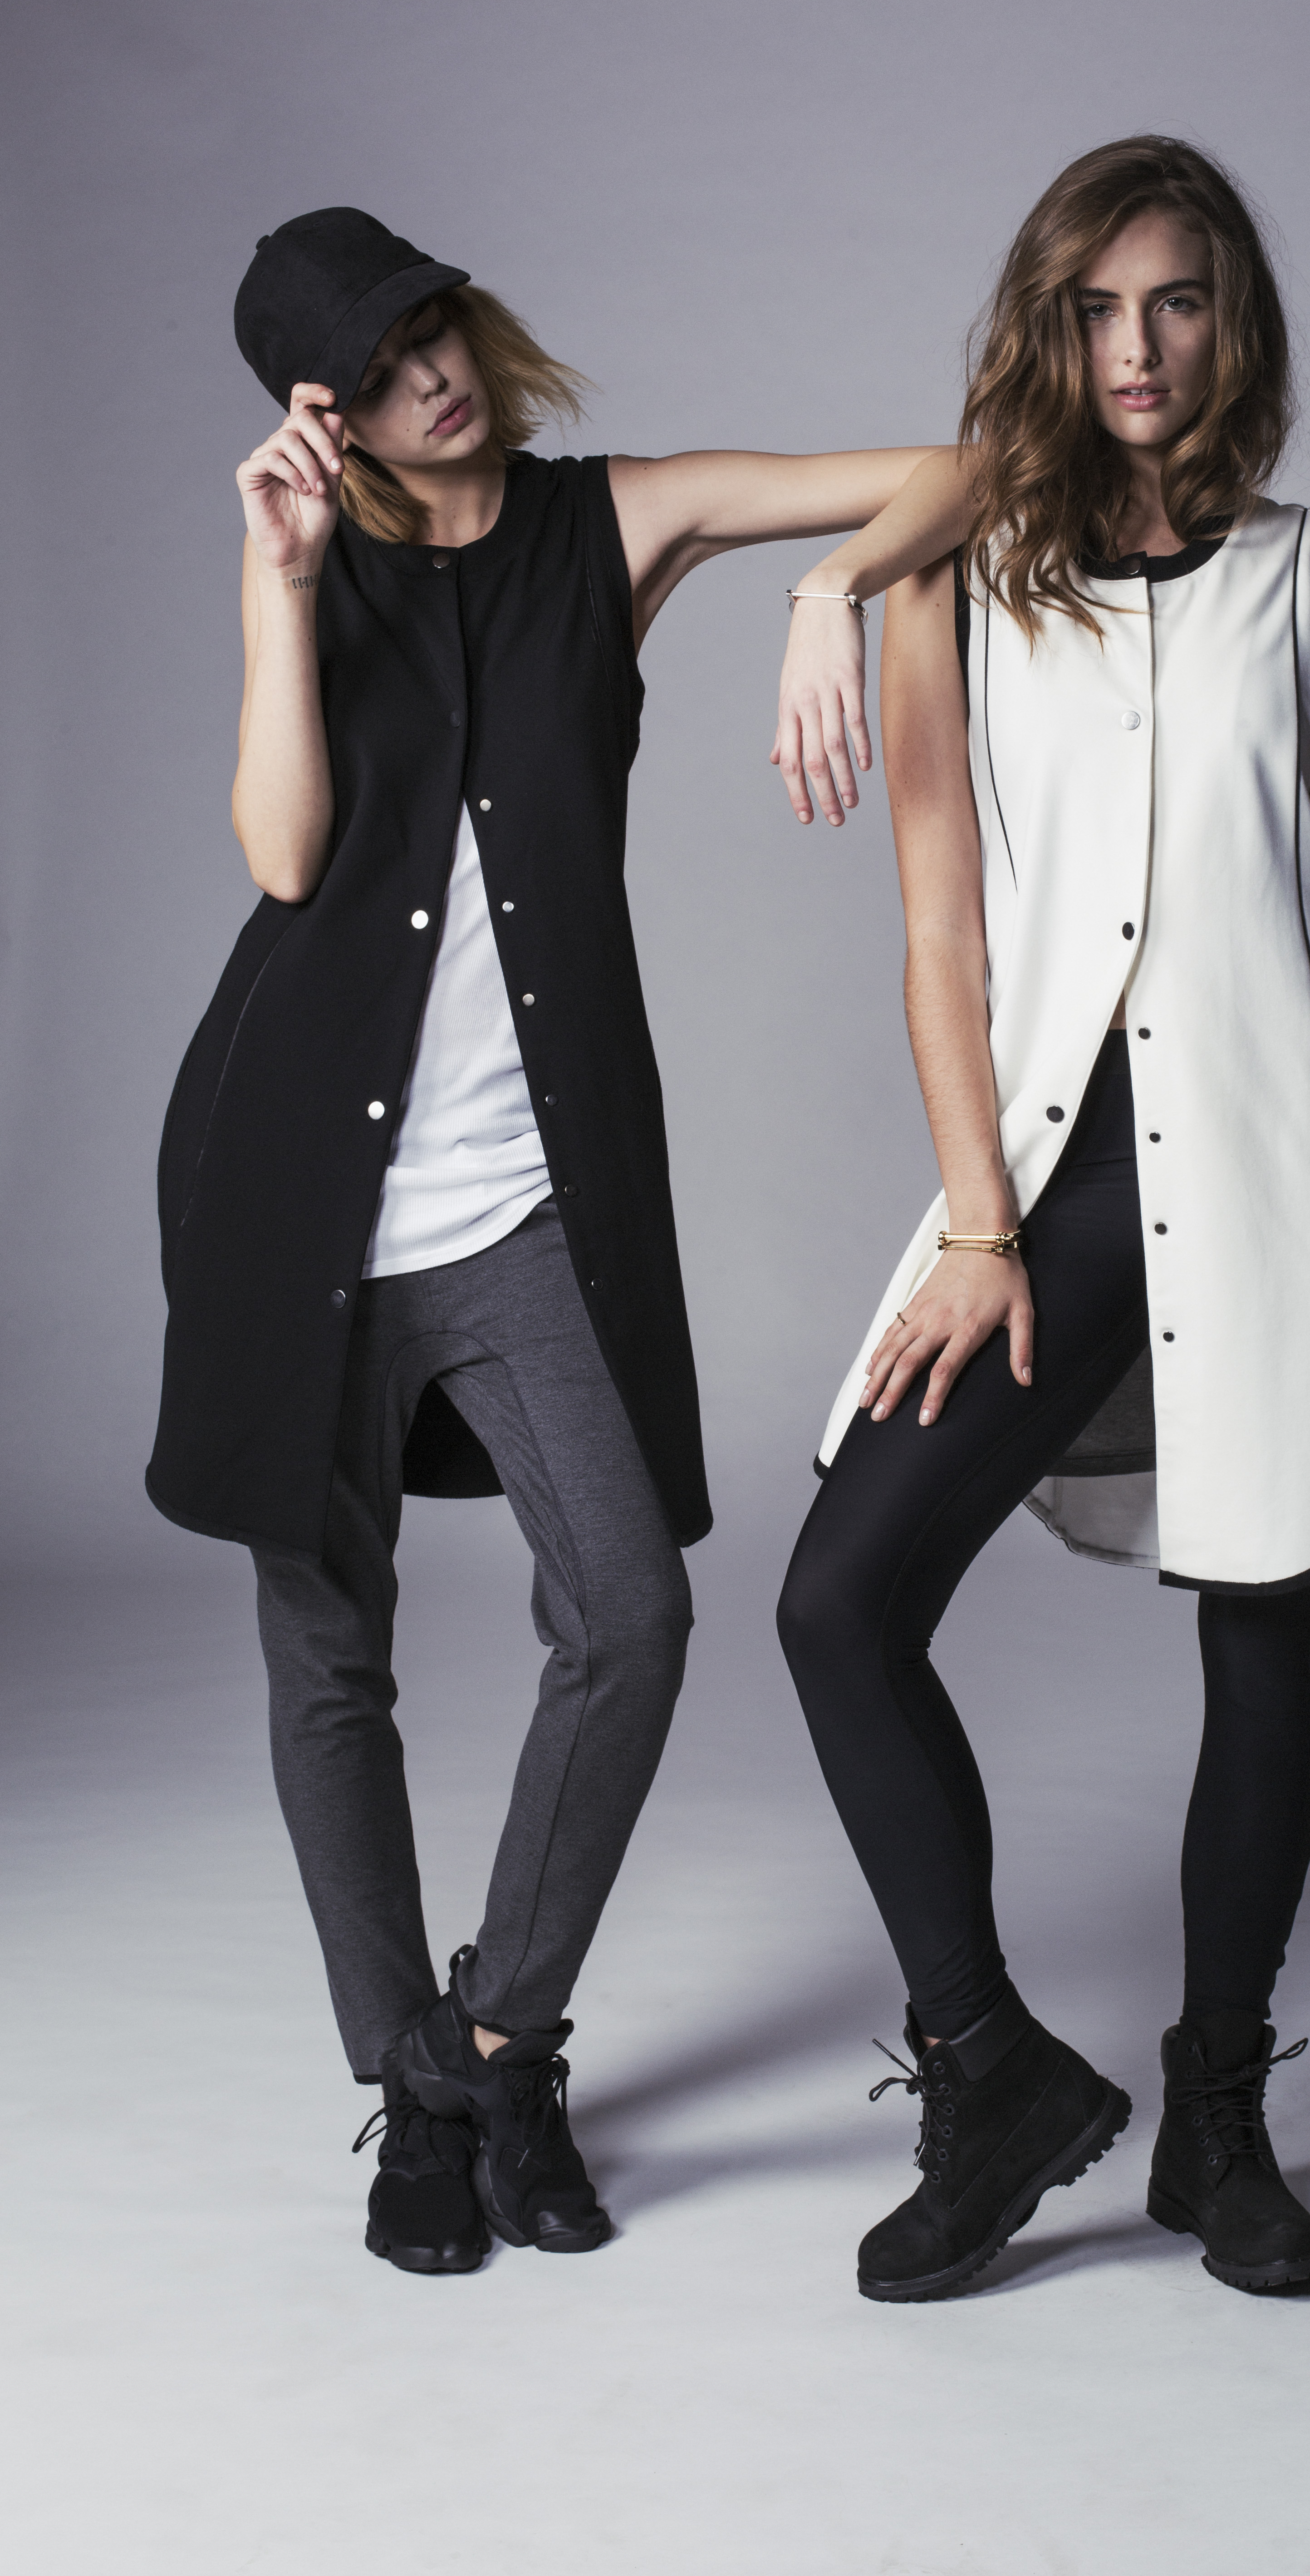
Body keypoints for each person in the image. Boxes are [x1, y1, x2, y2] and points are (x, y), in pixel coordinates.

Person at [148, 207, 968, 2276]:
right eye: (375, 369)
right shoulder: (303, 565)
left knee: (630, 1615)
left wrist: (833, 592)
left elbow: (970, 462)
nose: (433, 375)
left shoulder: (613, 522)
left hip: (525, 1199)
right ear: (321, 418)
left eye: (432, 326)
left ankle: (501, 2045)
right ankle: (411, 2092)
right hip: (296, 1200)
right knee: (329, 1653)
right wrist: (281, 584)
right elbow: (283, 855)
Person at [775, 136, 1310, 2304]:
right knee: (842, 1599)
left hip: (1296, 1165)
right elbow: (939, 939)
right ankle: (988, 2068)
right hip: (1055, 1185)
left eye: (1176, 300)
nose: (1139, 347)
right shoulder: (957, 580)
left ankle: (1219, 2119)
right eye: (1095, 309)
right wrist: (980, 1226)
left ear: (1230, 318)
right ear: (1049, 331)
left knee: (1266, 1632)